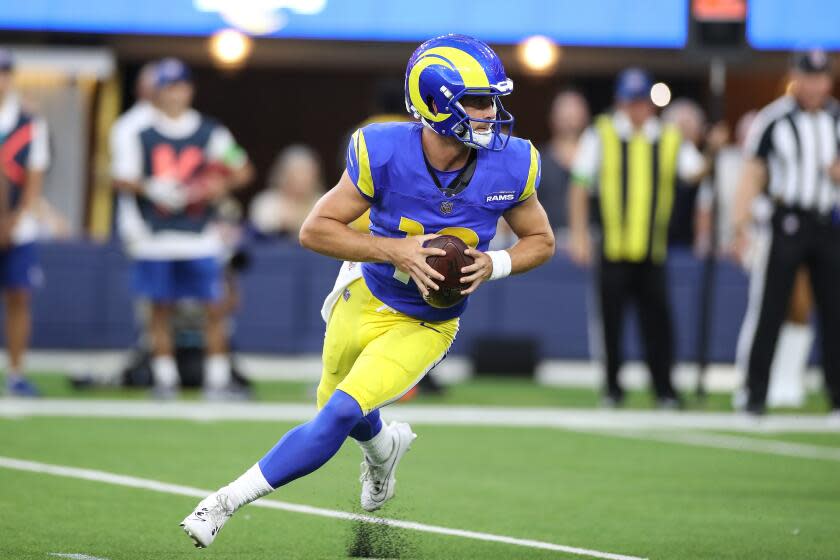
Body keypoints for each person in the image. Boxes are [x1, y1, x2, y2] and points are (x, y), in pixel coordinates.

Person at [181, 34, 555, 548]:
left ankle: (225, 501)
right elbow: (315, 229)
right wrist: (393, 250)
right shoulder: (381, 149)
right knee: (346, 410)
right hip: (365, 290)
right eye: (476, 100)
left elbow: (542, 240)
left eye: (492, 99)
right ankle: (383, 452)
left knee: (336, 412)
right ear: (434, 102)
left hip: (426, 321)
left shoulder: (511, 163)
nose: (490, 112)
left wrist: (496, 262)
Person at [568, 68, 723, 407]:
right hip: (612, 246)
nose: (637, 110)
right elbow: (580, 184)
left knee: (658, 323)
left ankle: (664, 388)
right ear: (620, 102)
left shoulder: (669, 137)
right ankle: (612, 388)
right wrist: (579, 235)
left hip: (652, 249)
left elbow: (694, 172)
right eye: (631, 102)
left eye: (641, 102)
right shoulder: (602, 133)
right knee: (610, 324)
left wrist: (712, 151)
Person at [111, 58, 253, 399]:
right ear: (157, 93)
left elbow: (242, 168)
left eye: (180, 87)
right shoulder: (139, 131)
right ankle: (165, 378)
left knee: (213, 306)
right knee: (159, 308)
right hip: (155, 233)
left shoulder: (210, 131)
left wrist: (215, 187)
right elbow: (122, 177)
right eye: (168, 88)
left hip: (198, 233)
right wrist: (152, 187)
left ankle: (217, 379)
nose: (175, 95)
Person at [731, 49, 840, 415]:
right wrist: (740, 224)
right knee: (772, 308)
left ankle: (836, 394)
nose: (814, 85)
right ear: (796, 76)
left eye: (821, 77)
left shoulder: (836, 118)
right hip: (788, 220)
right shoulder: (774, 119)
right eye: (808, 76)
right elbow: (753, 172)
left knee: (833, 310)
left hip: (827, 221)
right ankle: (755, 393)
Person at [0, 49, 50, 397]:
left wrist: (12, 222)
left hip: (17, 227)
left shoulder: (30, 124)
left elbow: (34, 179)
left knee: (19, 296)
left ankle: (16, 371)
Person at [539, 89, 590, 236]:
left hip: (592, 241)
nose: (569, 116)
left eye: (574, 110)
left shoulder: (598, 156)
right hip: (550, 242)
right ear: (552, 117)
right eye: (564, 110)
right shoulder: (538, 159)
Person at [249, 145, 324, 239]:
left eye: (308, 174)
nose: (302, 180)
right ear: (284, 176)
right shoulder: (266, 203)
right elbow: (259, 234)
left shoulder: (323, 203)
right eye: (297, 174)